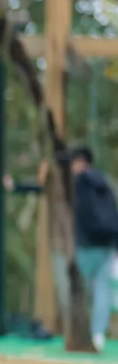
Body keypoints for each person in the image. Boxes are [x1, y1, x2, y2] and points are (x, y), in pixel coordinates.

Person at [71, 147, 118, 350]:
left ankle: (77, 333)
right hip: (106, 244)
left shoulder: (80, 183)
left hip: (84, 244)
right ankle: (98, 334)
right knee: (102, 291)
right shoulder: (104, 182)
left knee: (76, 289)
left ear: (80, 162)